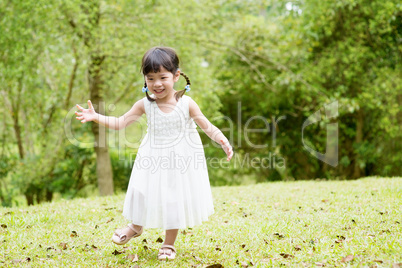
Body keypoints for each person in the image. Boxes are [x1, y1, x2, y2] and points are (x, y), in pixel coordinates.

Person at [75, 46, 233, 261]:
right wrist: (96, 116)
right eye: (150, 78)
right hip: (151, 157)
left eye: (163, 77)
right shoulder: (144, 105)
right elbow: (120, 122)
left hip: (180, 160)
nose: (157, 83)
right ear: (145, 80)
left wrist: (222, 139)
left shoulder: (186, 103)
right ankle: (136, 226)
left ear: (176, 76)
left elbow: (207, 126)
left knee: (172, 200)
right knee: (141, 190)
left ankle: (168, 244)